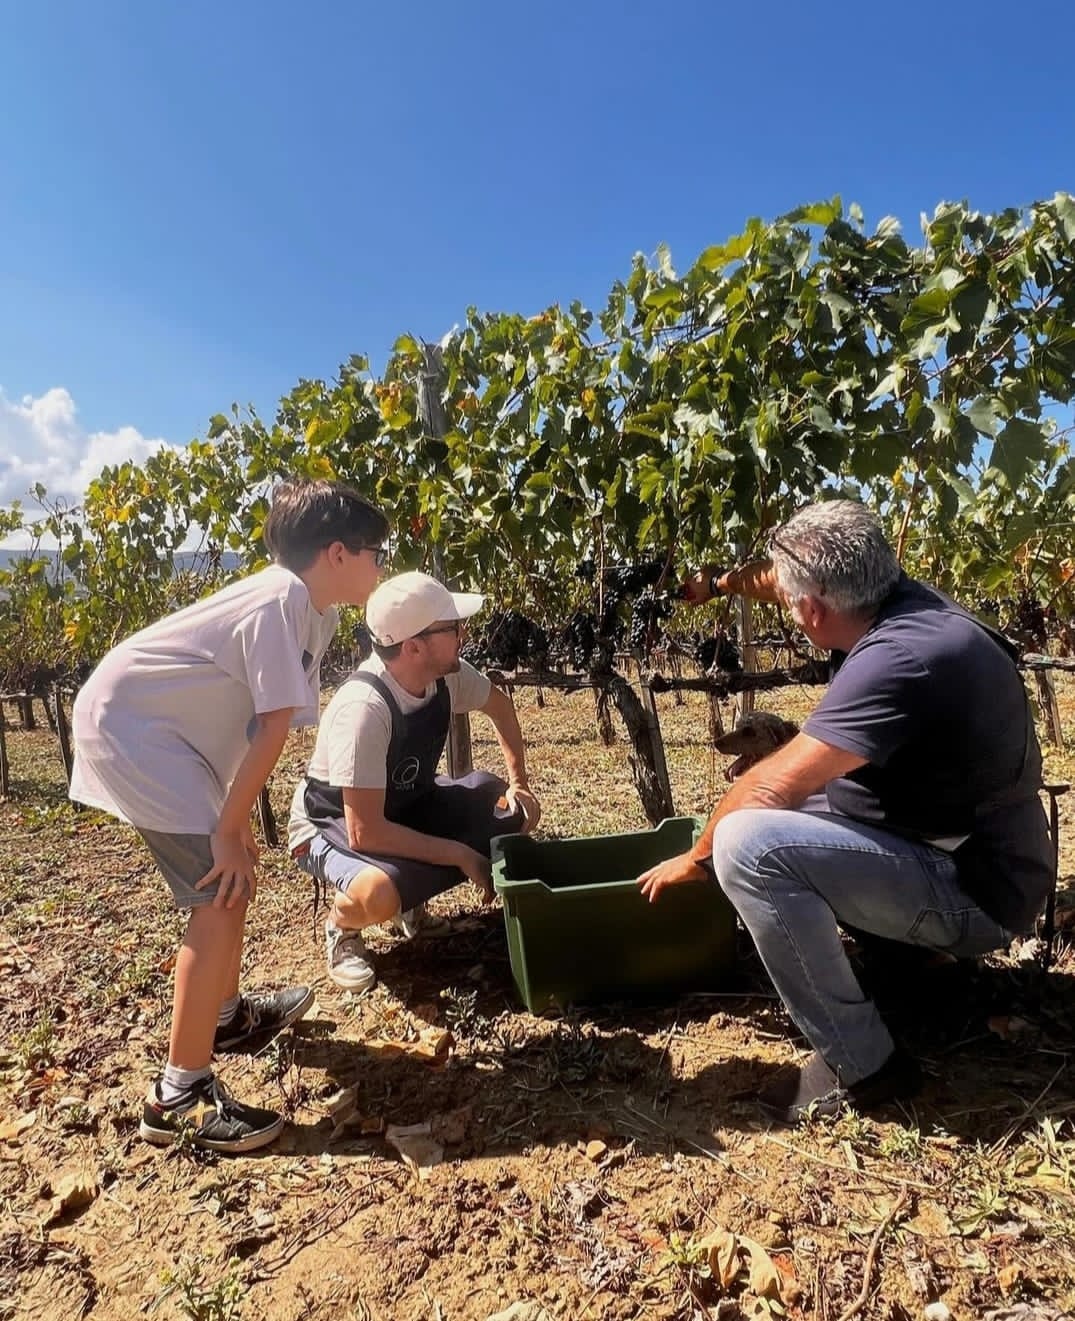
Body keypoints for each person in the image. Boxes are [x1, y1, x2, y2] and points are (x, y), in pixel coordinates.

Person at [640, 500, 1052, 1122]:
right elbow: (777, 578)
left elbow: (770, 786)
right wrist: (717, 586)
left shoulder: (898, 658)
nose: (784, 604)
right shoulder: (889, 599)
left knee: (748, 842)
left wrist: (694, 858)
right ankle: (919, 970)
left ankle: (861, 1065)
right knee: (806, 804)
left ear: (814, 611)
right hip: (968, 846)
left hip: (978, 892)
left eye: (790, 602)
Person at [70, 479, 390, 1153]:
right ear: (337, 552)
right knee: (218, 894)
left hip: (172, 742)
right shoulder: (280, 599)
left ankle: (224, 1018)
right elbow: (274, 725)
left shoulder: (313, 610)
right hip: (134, 733)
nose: (380, 564)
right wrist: (224, 825)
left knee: (234, 876)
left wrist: (233, 816)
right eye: (375, 551)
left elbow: (254, 721)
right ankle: (176, 1096)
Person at [289, 570, 541, 993]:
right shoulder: (364, 708)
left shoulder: (447, 673)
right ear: (413, 647)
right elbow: (364, 830)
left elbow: (501, 708)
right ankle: (342, 926)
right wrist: (460, 854)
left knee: (512, 812)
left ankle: (413, 909)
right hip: (330, 822)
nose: (464, 633)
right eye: (452, 628)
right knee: (379, 893)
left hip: (403, 805)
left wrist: (520, 784)